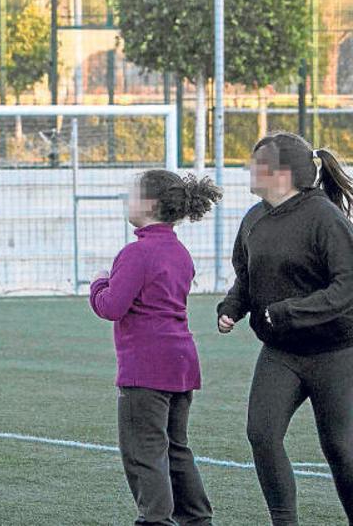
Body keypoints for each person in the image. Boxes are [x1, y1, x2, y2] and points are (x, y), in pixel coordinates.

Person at [218, 132, 353, 525]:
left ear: (281, 174)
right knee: (261, 433)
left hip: (336, 352)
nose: (248, 168)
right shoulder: (254, 218)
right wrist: (232, 307)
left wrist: (290, 311)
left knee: (341, 449)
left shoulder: (325, 218)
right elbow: (247, 276)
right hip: (281, 353)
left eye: (255, 161)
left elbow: (347, 287)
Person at [90, 169, 220, 526]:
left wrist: (99, 282)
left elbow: (112, 306)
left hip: (146, 367)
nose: (127, 201)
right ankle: (197, 519)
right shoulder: (180, 252)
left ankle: (155, 520)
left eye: (132, 195)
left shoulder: (136, 253)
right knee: (176, 448)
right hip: (181, 361)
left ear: (149, 204)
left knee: (143, 453)